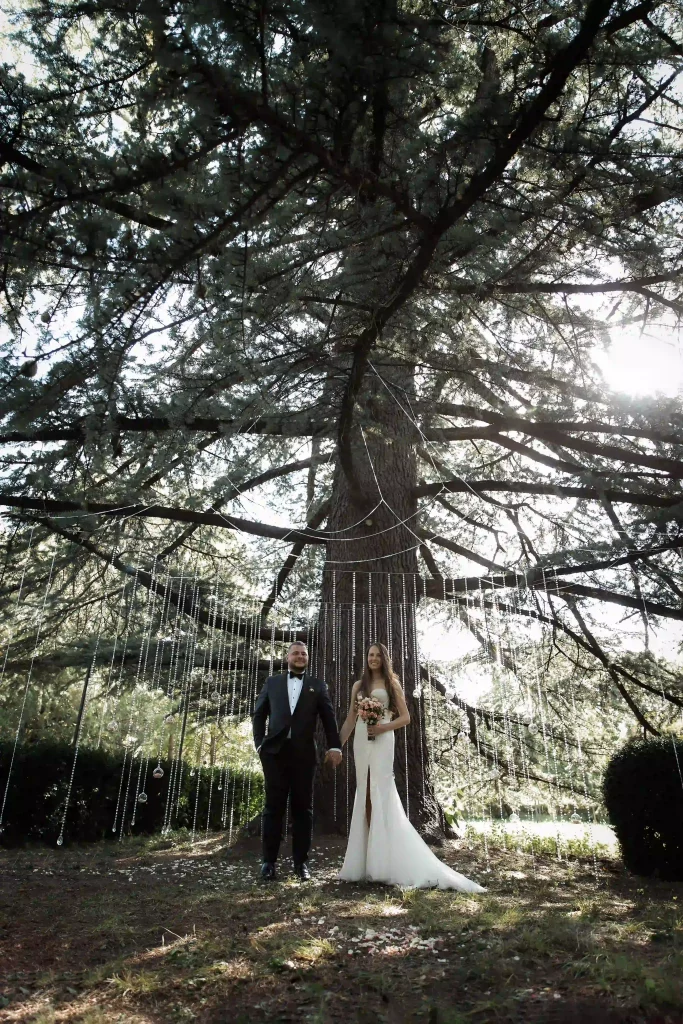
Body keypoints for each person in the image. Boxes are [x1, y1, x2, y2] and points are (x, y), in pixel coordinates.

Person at [337, 642, 486, 891]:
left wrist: (382, 726)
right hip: (362, 741)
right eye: (369, 655)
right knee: (364, 793)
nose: (373, 659)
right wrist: (336, 746)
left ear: (384, 659)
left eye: (377, 655)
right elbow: (351, 719)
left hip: (383, 738)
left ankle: (384, 859)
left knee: (380, 790)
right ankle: (365, 860)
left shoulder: (391, 684)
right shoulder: (358, 686)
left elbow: (405, 717)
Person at [252, 640, 342, 881]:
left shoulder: (317, 686)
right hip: (274, 754)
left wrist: (335, 745)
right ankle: (268, 863)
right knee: (273, 809)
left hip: (304, 755)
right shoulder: (272, 683)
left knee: (303, 810)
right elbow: (259, 714)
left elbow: (329, 718)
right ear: (288, 657)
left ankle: (301, 864)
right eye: (295, 653)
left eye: (304, 653)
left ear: (307, 658)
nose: (300, 656)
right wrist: (259, 743)